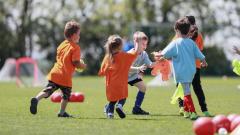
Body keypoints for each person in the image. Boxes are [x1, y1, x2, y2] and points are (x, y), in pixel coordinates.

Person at [153, 17, 207, 120]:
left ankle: (193, 112)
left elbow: (164, 54)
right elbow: (200, 55)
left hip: (181, 72)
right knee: (184, 90)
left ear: (177, 31)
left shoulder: (176, 43)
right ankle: (186, 111)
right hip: (192, 71)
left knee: (186, 92)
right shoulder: (191, 42)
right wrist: (204, 62)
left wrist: (157, 54)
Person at [30, 20, 86, 117]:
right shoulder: (76, 47)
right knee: (66, 95)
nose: (79, 36)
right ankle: (61, 112)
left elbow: (60, 56)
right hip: (65, 76)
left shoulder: (62, 44)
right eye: (78, 34)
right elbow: (76, 62)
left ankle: (36, 98)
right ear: (73, 36)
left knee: (48, 90)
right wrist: (82, 65)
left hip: (55, 73)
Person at [173, 15, 212, 117]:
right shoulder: (198, 36)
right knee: (196, 88)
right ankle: (204, 110)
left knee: (183, 87)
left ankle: (184, 108)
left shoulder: (183, 36)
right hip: (195, 66)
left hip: (185, 67)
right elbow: (200, 50)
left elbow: (173, 48)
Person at [98, 34, 142, 119]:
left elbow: (102, 72)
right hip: (121, 83)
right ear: (120, 46)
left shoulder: (108, 57)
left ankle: (110, 114)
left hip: (110, 84)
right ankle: (120, 106)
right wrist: (137, 42)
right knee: (123, 97)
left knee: (112, 100)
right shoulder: (124, 56)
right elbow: (135, 53)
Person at [128, 31, 154, 115]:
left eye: (146, 44)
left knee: (143, 87)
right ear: (136, 42)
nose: (145, 46)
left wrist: (159, 62)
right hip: (123, 76)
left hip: (133, 76)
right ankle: (110, 106)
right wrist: (138, 68)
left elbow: (150, 64)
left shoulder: (144, 54)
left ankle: (136, 108)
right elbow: (126, 68)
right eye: (142, 44)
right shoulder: (129, 54)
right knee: (120, 94)